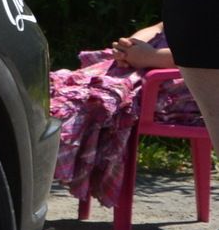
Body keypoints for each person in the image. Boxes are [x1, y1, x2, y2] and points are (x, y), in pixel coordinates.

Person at [50, 21, 201, 209]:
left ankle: (51, 149)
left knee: (103, 102)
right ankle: (41, 139)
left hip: (185, 88)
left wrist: (151, 57)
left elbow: (206, 55)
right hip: (142, 65)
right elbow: (161, 27)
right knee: (75, 92)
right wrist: (130, 47)